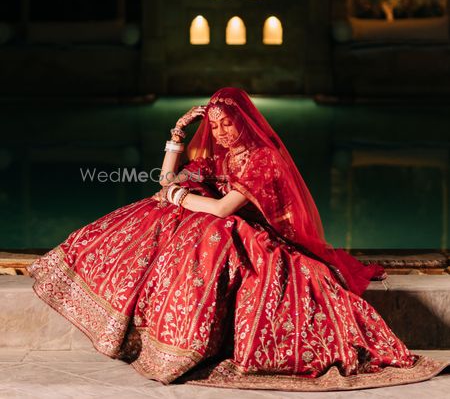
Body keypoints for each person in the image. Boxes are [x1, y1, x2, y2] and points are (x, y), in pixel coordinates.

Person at [27, 87, 449, 391]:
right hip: (224, 225)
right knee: (156, 214)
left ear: (243, 119)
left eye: (228, 123)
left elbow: (222, 209)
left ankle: (183, 341)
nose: (222, 132)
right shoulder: (224, 155)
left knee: (196, 224)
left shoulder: (262, 159)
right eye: (215, 125)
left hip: (260, 238)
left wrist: (177, 196)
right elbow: (166, 181)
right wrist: (176, 137)